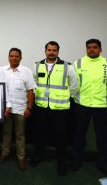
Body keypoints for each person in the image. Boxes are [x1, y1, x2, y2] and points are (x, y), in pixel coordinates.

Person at [29, 41, 77, 176]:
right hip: (42, 106)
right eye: (49, 50)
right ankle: (37, 157)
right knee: (40, 134)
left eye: (54, 50)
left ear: (58, 52)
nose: (51, 52)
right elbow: (33, 84)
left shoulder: (68, 66)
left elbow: (74, 86)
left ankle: (62, 163)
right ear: (45, 51)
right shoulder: (37, 66)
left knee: (61, 137)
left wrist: (65, 98)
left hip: (60, 108)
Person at [70, 39, 107, 174]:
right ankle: (77, 161)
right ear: (86, 49)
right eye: (89, 47)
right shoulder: (77, 63)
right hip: (82, 104)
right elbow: (72, 82)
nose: (91, 49)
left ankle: (102, 163)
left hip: (101, 105)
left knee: (102, 136)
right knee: (79, 134)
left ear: (100, 49)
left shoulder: (106, 63)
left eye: (95, 47)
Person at [0, 48, 36, 171]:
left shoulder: (26, 71)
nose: (14, 58)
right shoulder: (2, 70)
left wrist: (29, 108)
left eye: (16, 56)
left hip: (20, 109)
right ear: (8, 57)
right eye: (11, 56)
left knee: (20, 135)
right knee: (6, 133)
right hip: (6, 109)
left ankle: (21, 158)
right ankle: (4, 154)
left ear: (20, 58)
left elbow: (31, 91)